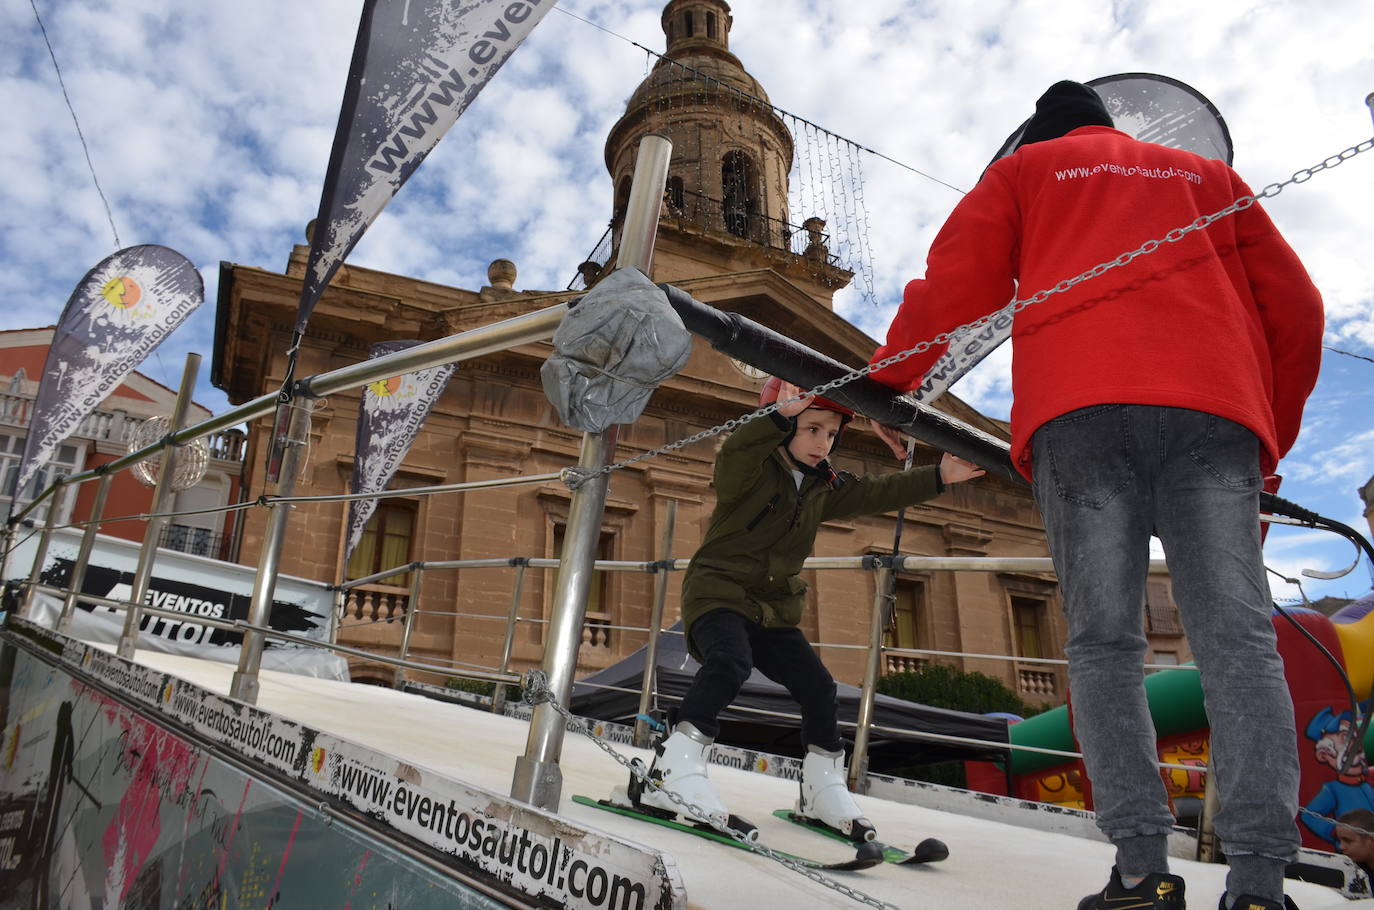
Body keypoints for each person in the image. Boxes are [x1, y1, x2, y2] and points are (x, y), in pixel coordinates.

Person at [867, 81, 1324, 910]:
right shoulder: (1202, 174)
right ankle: (1259, 884)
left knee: (1105, 648)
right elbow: (1298, 310)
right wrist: (1270, 442)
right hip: (1215, 415)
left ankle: (1142, 873)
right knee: (1239, 646)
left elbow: (951, 293)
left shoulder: (1022, 174)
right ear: (1111, 125)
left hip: (1078, 413)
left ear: (1036, 137)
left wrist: (879, 386)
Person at [631, 377, 984, 840]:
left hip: (772, 610)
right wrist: (776, 416)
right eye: (812, 429)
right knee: (729, 663)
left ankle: (821, 787)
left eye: (831, 434)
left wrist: (940, 477)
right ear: (784, 427)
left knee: (819, 687)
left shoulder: (824, 487)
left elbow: (879, 493)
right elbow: (737, 450)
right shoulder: (749, 470)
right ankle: (669, 771)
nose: (823, 443)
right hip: (718, 595)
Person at [1335, 809, 1374, 886]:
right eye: (1339, 840)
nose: (1341, 847)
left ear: (1372, 841)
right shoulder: (1343, 863)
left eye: (1348, 841)